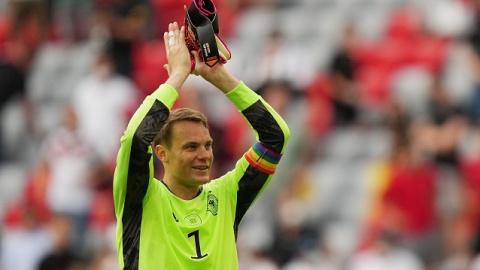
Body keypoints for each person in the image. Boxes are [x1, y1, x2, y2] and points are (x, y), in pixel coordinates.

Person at [113, 21, 290, 269]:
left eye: (207, 146)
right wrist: (178, 75)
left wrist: (221, 78)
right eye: (191, 147)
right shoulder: (141, 197)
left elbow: (276, 137)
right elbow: (135, 139)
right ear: (161, 153)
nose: (204, 155)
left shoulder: (227, 196)